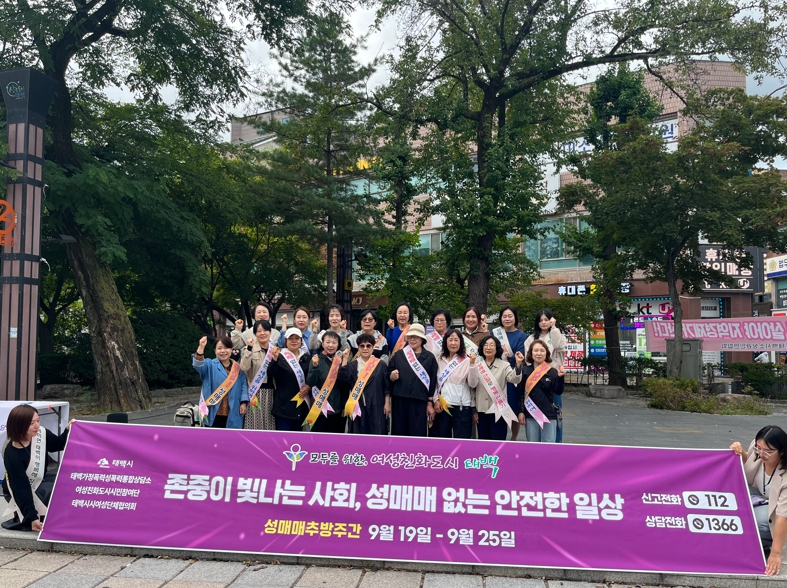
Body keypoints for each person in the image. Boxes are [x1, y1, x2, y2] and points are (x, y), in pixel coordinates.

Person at [2, 406, 76, 531]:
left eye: (38, 420)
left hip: (40, 479)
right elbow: (21, 488)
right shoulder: (13, 454)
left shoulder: (40, 433)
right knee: (55, 490)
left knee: (68, 478)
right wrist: (32, 518)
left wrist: (68, 430)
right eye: (31, 423)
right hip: (18, 490)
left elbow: (57, 444)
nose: (37, 425)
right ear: (19, 425)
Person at [731, 425, 787, 575]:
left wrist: (775, 554)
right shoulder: (757, 450)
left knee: (753, 520)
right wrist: (739, 451)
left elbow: (782, 516)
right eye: (758, 448)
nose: (761, 454)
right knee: (730, 494)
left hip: (779, 515)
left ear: (782, 451)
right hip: (762, 499)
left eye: (768, 451)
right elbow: (749, 465)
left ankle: (762, 541)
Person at [388, 323, 438, 437]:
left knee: (417, 433)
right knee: (399, 432)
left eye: (416, 337)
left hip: (419, 401)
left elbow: (433, 381)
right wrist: (392, 376)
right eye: (410, 337)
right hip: (400, 399)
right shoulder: (399, 355)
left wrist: (430, 402)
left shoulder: (430, 357)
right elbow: (389, 374)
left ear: (422, 339)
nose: (412, 339)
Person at [524, 308, 567, 442]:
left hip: (553, 378)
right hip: (535, 380)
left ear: (551, 320)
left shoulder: (557, 334)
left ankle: (556, 443)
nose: (543, 322)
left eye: (546, 320)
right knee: (533, 414)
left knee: (554, 412)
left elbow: (558, 345)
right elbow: (528, 359)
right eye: (540, 320)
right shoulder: (531, 338)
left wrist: (554, 328)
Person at [339, 333, 391, 434]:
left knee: (377, 432)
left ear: (373, 347)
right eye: (362, 346)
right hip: (357, 404)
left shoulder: (381, 364)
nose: (365, 348)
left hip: (377, 404)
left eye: (368, 346)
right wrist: (345, 359)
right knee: (358, 433)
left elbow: (387, 386)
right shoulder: (353, 365)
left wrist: (387, 403)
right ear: (358, 348)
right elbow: (343, 379)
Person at [475, 335, 523, 441]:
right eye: (485, 345)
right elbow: (472, 388)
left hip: (499, 410)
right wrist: (474, 408)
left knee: (498, 442)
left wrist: (518, 365)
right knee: (483, 442)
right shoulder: (477, 365)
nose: (488, 347)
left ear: (497, 348)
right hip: (481, 410)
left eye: (492, 345)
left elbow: (514, 379)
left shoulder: (504, 365)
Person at [432, 329, 478, 439]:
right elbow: (434, 383)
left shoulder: (467, 360)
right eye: (450, 340)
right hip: (443, 406)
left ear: (461, 342)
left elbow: (473, 384)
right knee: (443, 440)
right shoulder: (439, 359)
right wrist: (435, 400)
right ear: (445, 342)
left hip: (462, 406)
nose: (453, 343)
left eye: (456, 340)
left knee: (462, 441)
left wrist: (472, 365)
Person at [194, 335, 248, 429]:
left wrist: (243, 402)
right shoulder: (209, 365)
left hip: (233, 410)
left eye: (226, 348)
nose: (223, 351)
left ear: (231, 349)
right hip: (214, 411)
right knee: (213, 437)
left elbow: (244, 386)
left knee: (231, 437)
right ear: (215, 351)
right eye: (219, 348)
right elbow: (198, 365)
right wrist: (201, 347)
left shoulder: (238, 368)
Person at [518, 340, 565, 443]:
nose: (539, 353)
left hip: (549, 414)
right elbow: (520, 393)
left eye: (542, 350)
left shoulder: (552, 371)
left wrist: (560, 377)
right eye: (536, 350)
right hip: (531, 413)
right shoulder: (525, 371)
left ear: (546, 353)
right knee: (532, 445)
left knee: (549, 445)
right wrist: (520, 412)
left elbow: (558, 391)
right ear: (531, 353)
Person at [492, 306, 527, 441]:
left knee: (513, 407)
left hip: (513, 375)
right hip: (496, 374)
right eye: (504, 316)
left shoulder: (521, 336)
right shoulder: (494, 333)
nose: (507, 319)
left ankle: (513, 438)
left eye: (510, 316)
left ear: (515, 318)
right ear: (501, 318)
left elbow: (519, 355)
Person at [268, 327, 311, 431]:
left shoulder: (307, 358)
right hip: (284, 405)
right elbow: (271, 373)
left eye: (297, 338)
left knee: (298, 437)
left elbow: (312, 378)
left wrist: (309, 387)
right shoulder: (280, 356)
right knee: (283, 437)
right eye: (290, 338)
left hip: (301, 405)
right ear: (285, 341)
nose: (294, 341)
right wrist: (274, 359)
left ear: (301, 341)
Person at [306, 330, 349, 433]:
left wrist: (344, 406)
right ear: (322, 344)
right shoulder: (316, 359)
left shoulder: (340, 361)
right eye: (328, 342)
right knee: (318, 440)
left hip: (337, 409)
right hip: (319, 409)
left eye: (334, 342)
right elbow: (310, 383)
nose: (331, 345)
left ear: (338, 345)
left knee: (336, 440)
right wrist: (315, 367)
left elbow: (344, 385)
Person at [240, 319, 276, 431]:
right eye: (259, 331)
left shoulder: (275, 349)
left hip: (272, 393)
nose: (262, 333)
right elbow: (244, 367)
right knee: (254, 425)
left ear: (270, 332)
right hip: (255, 392)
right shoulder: (250, 348)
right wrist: (249, 349)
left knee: (270, 424)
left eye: (265, 330)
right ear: (255, 333)